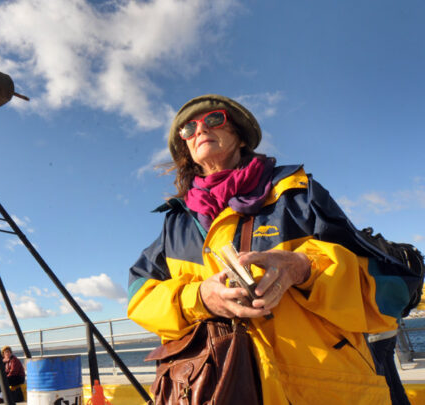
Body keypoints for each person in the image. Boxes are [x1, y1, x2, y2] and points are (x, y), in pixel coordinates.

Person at [127, 94, 415, 404]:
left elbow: (384, 290)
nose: (199, 130)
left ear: (239, 136)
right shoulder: (176, 222)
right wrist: (199, 298)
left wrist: (303, 268)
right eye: (189, 129)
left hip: (322, 390)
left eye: (213, 120)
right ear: (186, 147)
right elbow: (139, 297)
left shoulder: (297, 194)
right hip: (218, 390)